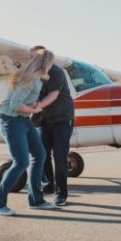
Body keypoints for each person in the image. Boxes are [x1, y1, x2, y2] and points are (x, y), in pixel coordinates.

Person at [0, 49, 57, 216]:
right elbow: (14, 105)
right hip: (11, 120)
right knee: (20, 162)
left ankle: (36, 200)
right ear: (45, 64)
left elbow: (23, 102)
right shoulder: (30, 80)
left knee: (40, 155)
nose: (51, 67)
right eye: (50, 64)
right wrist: (38, 107)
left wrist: (33, 105)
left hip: (23, 120)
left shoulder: (36, 79)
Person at [31, 46, 76, 207]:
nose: (32, 60)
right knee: (42, 156)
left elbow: (53, 95)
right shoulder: (33, 74)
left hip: (62, 120)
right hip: (42, 120)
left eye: (35, 57)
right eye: (31, 57)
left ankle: (61, 194)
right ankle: (49, 186)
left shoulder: (57, 72)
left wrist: (37, 106)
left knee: (60, 157)